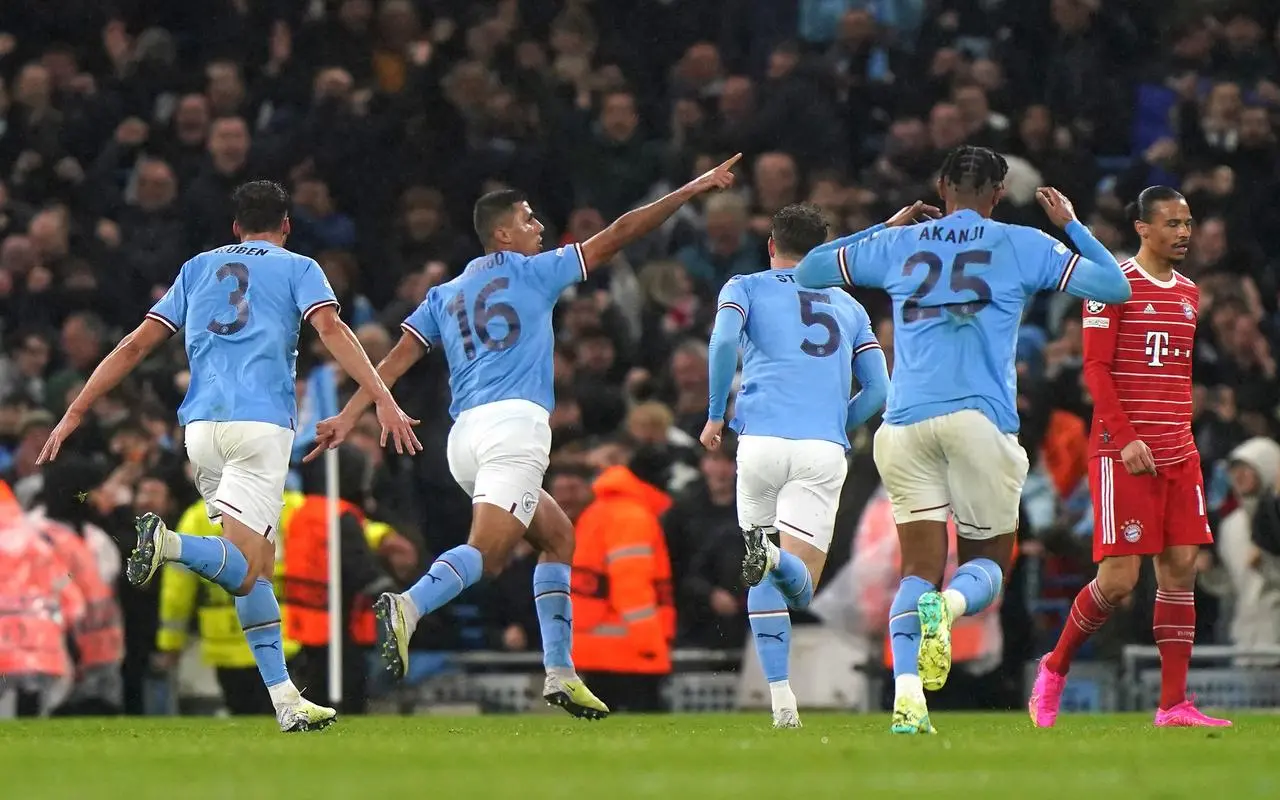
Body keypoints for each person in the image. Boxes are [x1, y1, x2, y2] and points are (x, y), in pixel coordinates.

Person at [307, 155, 743, 719]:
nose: (540, 227)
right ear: (504, 233)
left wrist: (354, 412)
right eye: (530, 219)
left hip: (464, 438)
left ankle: (560, 673)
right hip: (513, 428)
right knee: (488, 555)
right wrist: (691, 189)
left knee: (558, 537)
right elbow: (620, 232)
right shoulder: (535, 272)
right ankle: (408, 606)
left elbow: (395, 359)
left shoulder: (446, 293)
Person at [37, 180, 420, 733]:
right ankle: (169, 543)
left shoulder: (196, 269)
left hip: (201, 429)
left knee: (254, 570)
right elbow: (331, 328)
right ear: (285, 225)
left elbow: (137, 344)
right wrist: (380, 398)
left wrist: (75, 411)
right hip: (260, 426)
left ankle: (286, 699)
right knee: (248, 570)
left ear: (235, 228)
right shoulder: (298, 267)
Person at [795, 145, 1132, 734]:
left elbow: (810, 270)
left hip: (902, 425)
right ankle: (947, 609)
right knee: (988, 564)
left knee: (916, 568)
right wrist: (1071, 224)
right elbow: (1114, 287)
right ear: (999, 194)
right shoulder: (1021, 243)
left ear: (941, 186)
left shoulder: (900, 244)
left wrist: (889, 225)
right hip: (979, 421)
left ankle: (907, 699)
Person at [1029, 187, 1231, 728]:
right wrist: (1127, 436)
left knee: (1182, 568)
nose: (1183, 232)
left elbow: (1176, 375)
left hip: (1177, 450)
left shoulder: (1190, 293)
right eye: (1171, 223)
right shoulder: (1110, 286)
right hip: (1125, 452)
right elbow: (1095, 369)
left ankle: (1173, 704)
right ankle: (1054, 667)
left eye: (1188, 223)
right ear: (1142, 228)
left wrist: (1177, 434)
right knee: (1118, 581)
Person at [699, 202, 894, 728]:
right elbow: (880, 388)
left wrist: (716, 415)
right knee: (802, 583)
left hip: (758, 442)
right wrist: (838, 422)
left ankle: (782, 699)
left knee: (761, 567)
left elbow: (721, 342)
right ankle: (770, 557)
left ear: (771, 245)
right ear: (823, 250)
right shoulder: (849, 307)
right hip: (820, 450)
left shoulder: (744, 286)